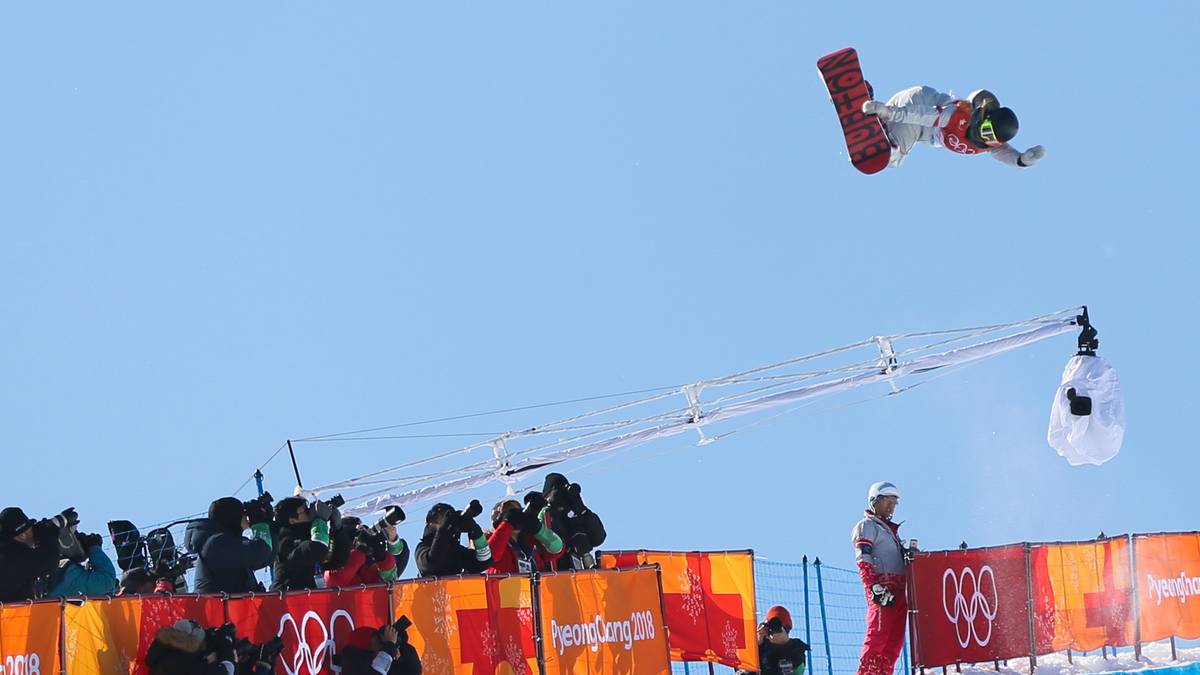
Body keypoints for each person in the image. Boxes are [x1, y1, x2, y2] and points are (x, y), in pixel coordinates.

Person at [861, 87, 1045, 170]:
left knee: (896, 145)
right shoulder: (956, 116)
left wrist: (1021, 160)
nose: (984, 139)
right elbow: (920, 115)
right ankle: (883, 130)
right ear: (981, 118)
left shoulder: (988, 144)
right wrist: (888, 111)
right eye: (986, 131)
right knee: (892, 158)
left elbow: (1004, 153)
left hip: (924, 131)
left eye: (991, 139)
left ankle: (873, 113)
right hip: (917, 105)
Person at [851, 481, 917, 675]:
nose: (891, 507)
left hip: (899, 592)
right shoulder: (868, 525)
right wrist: (873, 586)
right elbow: (863, 557)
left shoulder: (890, 532)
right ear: (875, 501)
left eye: (894, 503)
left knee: (893, 642)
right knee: (877, 637)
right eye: (887, 501)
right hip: (883, 589)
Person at [185, 497, 274, 594]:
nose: (246, 516)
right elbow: (260, 551)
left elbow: (267, 558)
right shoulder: (216, 544)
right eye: (243, 513)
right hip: (218, 607)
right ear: (233, 517)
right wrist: (259, 524)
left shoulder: (226, 542)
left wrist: (269, 527)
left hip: (234, 606)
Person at [0, 507, 74, 602]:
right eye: (31, 530)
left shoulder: (7, 551)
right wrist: (49, 533)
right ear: (23, 535)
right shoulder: (13, 556)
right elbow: (49, 561)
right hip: (11, 615)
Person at [540, 474, 606, 570]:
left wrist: (582, 510)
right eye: (558, 491)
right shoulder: (544, 514)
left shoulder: (576, 511)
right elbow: (554, 540)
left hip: (581, 571)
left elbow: (598, 538)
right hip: (557, 572)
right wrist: (554, 509)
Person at [486, 493, 564, 574]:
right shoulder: (489, 538)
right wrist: (508, 524)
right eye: (512, 514)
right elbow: (489, 557)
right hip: (505, 585)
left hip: (534, 585)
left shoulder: (531, 540)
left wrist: (538, 528)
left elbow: (557, 550)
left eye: (519, 514)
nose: (517, 518)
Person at [270, 496, 334, 591]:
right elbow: (317, 549)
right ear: (292, 520)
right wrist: (320, 520)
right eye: (306, 512)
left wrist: (338, 530)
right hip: (288, 598)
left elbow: (337, 561)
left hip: (311, 596)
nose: (310, 514)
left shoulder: (313, 534)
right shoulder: (283, 541)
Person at [414, 501, 493, 577]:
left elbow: (484, 562)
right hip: (432, 590)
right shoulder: (422, 548)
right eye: (442, 519)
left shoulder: (457, 551)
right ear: (430, 523)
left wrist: (475, 531)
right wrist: (445, 528)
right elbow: (432, 562)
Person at [144, 619, 234, 675]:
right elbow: (226, 670)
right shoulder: (191, 665)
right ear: (192, 643)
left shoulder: (161, 649)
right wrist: (226, 644)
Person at [47, 530, 118, 597]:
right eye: (76, 536)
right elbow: (107, 581)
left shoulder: (47, 568)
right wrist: (94, 548)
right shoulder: (70, 575)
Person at [741, 605, 809, 675]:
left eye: (777, 626)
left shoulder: (796, 649)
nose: (774, 629)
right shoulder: (762, 647)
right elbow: (742, 666)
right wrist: (758, 643)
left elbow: (794, 670)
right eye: (771, 625)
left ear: (786, 630)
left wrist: (785, 645)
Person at [332, 624, 420, 675]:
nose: (382, 647)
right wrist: (392, 645)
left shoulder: (377, 661)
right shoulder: (353, 662)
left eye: (381, 643)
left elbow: (413, 671)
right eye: (379, 642)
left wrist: (401, 644)